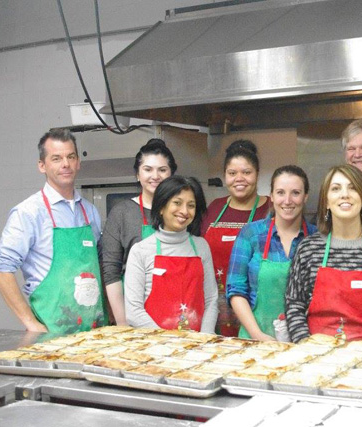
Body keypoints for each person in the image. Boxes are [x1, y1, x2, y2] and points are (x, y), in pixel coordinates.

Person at [0, 129, 106, 334]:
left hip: (94, 331)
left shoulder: (90, 211)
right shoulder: (28, 212)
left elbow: (101, 266)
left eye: (71, 157)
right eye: (56, 158)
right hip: (52, 333)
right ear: (42, 165)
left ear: (78, 162)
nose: (65, 164)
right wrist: (31, 323)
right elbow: (1, 270)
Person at [286, 164, 362, 345]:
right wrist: (305, 345)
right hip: (314, 357)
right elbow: (294, 304)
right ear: (326, 201)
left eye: (353, 188)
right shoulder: (308, 248)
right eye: (336, 188)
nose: (345, 194)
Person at [227, 165, 317, 340]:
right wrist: (258, 335)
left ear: (305, 197)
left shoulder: (317, 239)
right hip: (255, 340)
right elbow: (236, 290)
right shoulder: (250, 234)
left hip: (305, 341)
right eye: (281, 192)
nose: (288, 200)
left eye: (296, 193)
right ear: (272, 196)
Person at [125, 175, 218, 332]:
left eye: (191, 205)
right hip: (154, 346)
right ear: (161, 207)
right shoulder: (140, 251)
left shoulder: (201, 247)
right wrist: (167, 343)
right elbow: (133, 312)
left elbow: (211, 300)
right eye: (177, 203)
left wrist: (205, 338)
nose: (184, 211)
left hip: (197, 346)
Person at [101, 139, 177, 325]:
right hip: (133, 315)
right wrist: (122, 322)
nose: (155, 176)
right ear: (137, 174)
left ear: (172, 174)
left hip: (177, 313)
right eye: (148, 169)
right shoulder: (122, 213)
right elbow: (111, 271)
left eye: (162, 170)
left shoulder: (181, 213)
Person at [201, 140, 270, 336]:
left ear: (257, 174)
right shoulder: (214, 208)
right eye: (232, 173)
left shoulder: (271, 209)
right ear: (225, 176)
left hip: (255, 306)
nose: (239, 179)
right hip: (212, 308)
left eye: (246, 172)